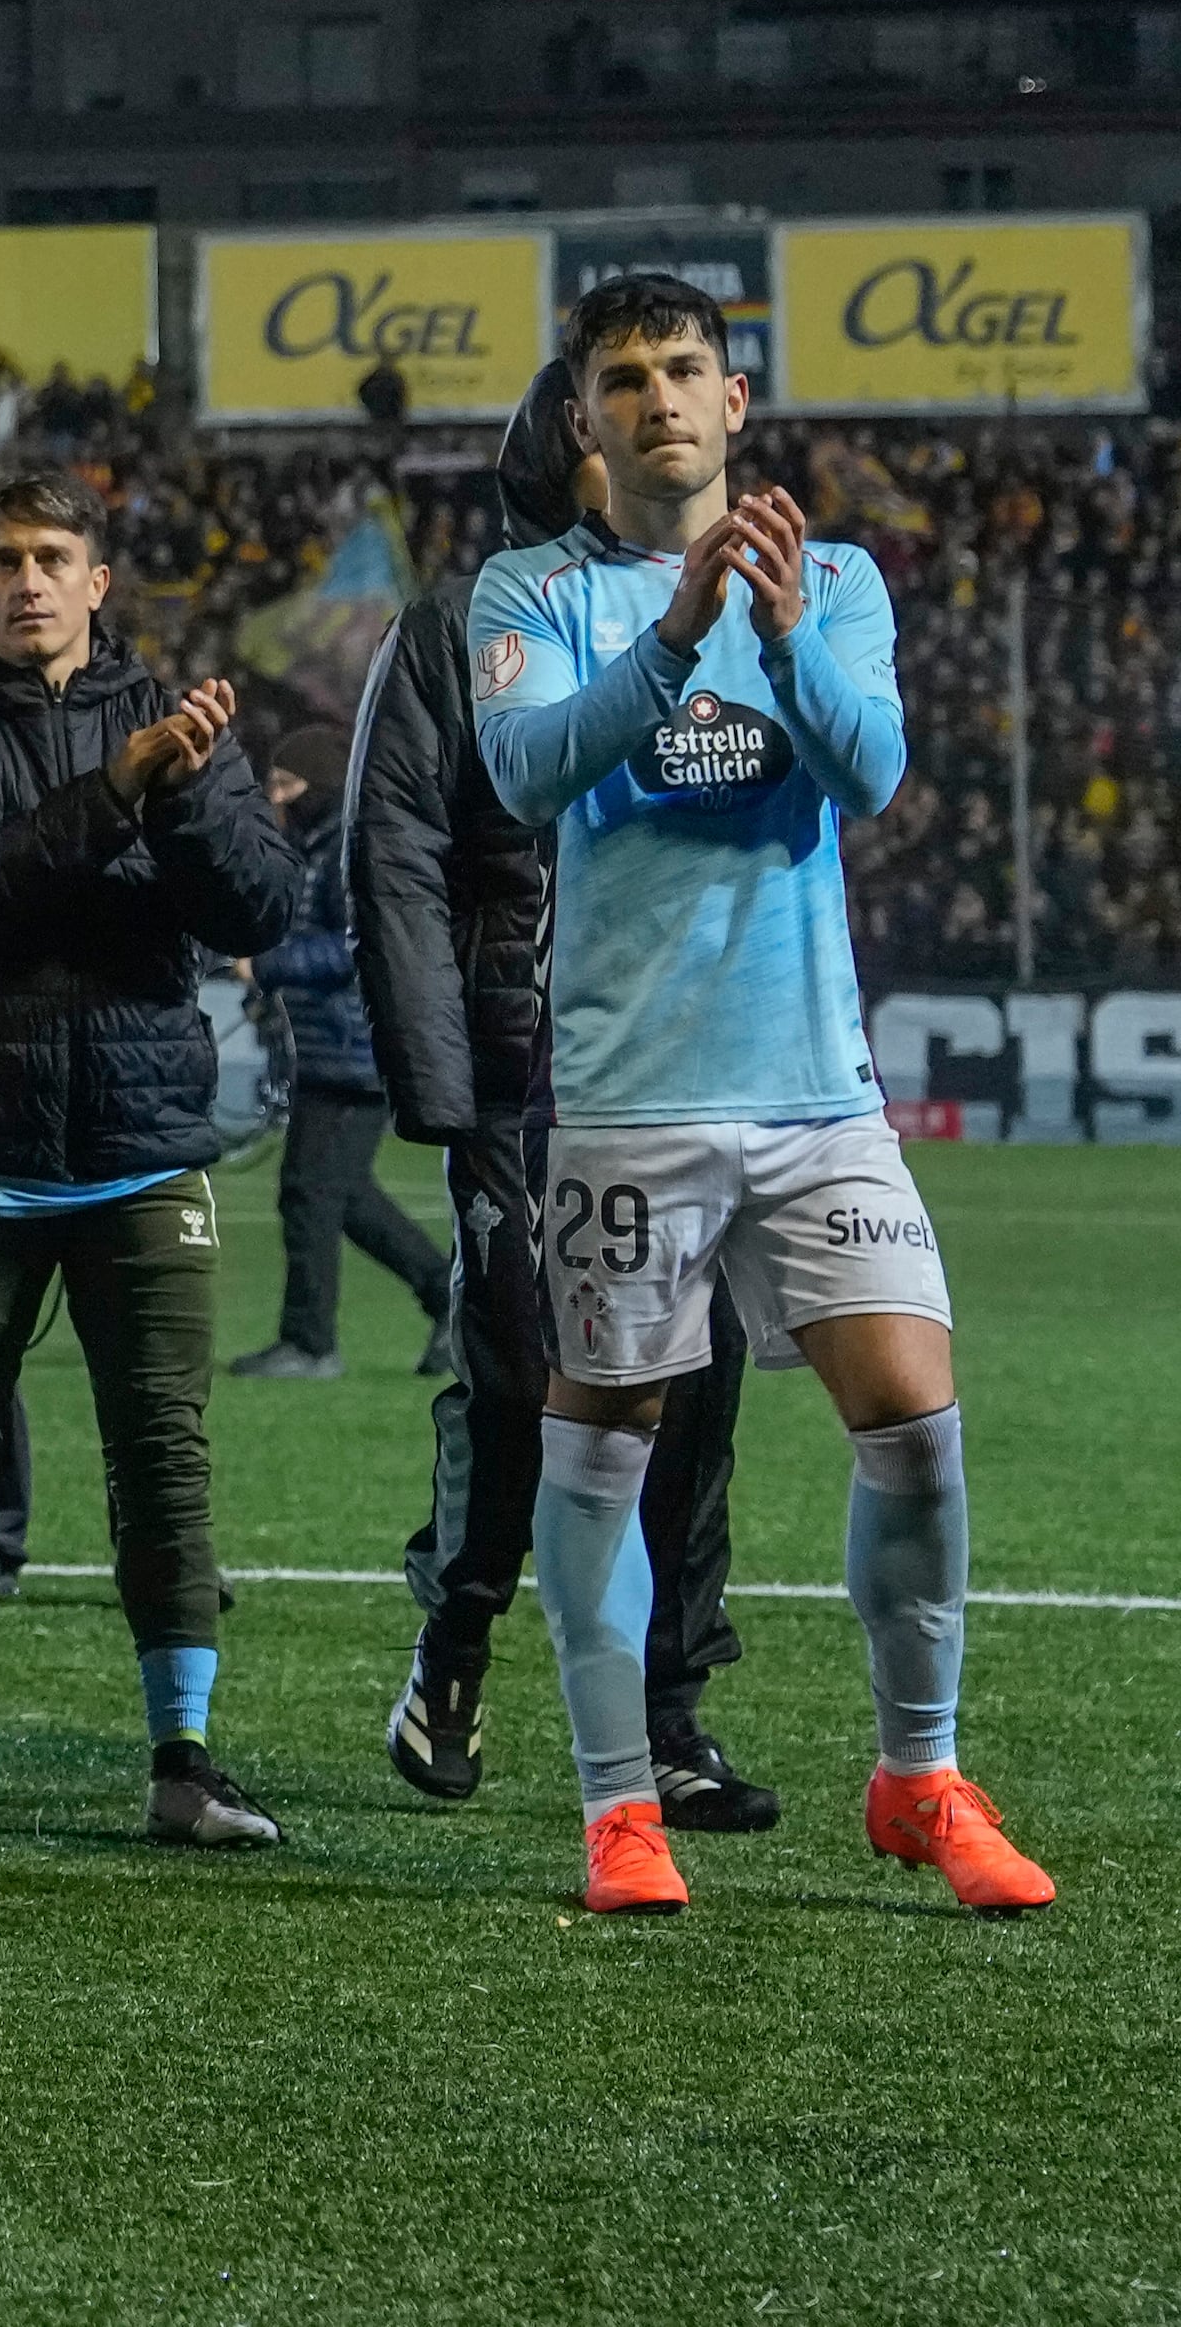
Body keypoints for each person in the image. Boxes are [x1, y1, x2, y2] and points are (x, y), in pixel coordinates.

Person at [472, 271, 1051, 1916]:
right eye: (624, 377)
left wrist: (779, 629)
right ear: (583, 418)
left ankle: (919, 1777)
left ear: (735, 402)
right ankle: (616, 1806)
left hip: (814, 1093)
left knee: (918, 1430)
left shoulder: (838, 578)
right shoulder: (528, 590)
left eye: (684, 369)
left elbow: (870, 769)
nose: (659, 396)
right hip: (632, 1097)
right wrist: (675, 634)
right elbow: (525, 773)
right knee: (605, 1445)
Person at [0, 468, 301, 1848]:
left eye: (54, 557)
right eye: (4, 559)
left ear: (100, 581)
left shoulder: (176, 725)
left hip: (143, 1148)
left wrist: (174, 795)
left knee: (164, 1456)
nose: (29, 582)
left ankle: (185, 1756)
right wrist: (117, 788)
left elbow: (260, 903)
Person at [357, 357, 770, 1821]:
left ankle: (668, 1710)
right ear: (561, 451)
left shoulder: (715, 602)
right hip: (524, 1080)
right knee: (528, 1378)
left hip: (681, 1062)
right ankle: (458, 1645)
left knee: (698, 1380)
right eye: (605, 421)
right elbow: (396, 854)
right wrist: (444, 1087)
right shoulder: (463, 625)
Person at [230, 720, 454, 1378]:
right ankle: (451, 1301)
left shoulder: (350, 851)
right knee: (344, 1195)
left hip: (358, 1053)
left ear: (320, 786)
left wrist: (267, 967)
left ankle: (309, 1341)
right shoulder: (321, 847)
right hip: (337, 1049)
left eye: (285, 784)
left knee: (308, 1192)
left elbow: (358, 946)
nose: (275, 798)